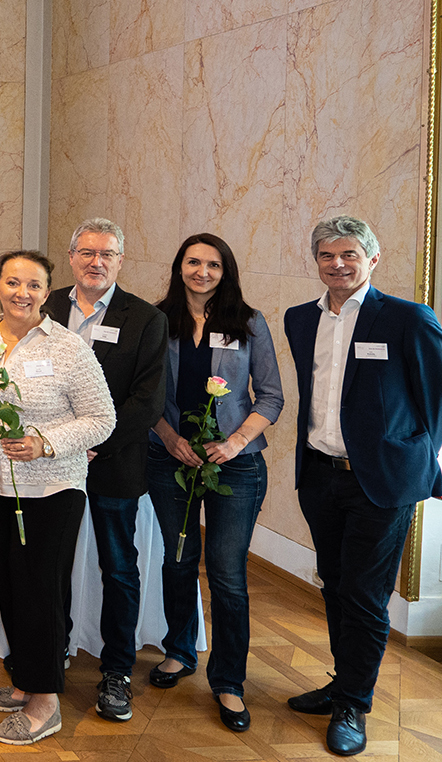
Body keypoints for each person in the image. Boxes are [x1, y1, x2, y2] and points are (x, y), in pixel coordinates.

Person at [283, 216, 442, 757]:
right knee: (334, 583)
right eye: (327, 255)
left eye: (349, 254)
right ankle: (341, 681)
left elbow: (434, 401)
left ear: (373, 259)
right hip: (321, 476)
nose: (338, 264)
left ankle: (354, 702)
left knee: (366, 596)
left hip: (381, 483)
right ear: (317, 262)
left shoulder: (407, 319)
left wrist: (422, 462)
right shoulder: (300, 320)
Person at [0, 251, 114, 746]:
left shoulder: (69, 348)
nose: (22, 293)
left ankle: (46, 702)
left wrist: (44, 443)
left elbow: (101, 418)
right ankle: (25, 680)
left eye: (33, 285)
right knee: (11, 588)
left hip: (51, 489)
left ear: (46, 293)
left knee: (41, 593)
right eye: (12, 282)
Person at [146, 234, 283, 732]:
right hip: (169, 459)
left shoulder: (248, 323)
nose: (202, 271)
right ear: (179, 266)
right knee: (178, 559)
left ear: (226, 271)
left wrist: (233, 444)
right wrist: (166, 436)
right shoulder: (157, 319)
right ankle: (180, 652)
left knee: (227, 574)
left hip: (236, 465)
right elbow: (143, 394)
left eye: (213, 264)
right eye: (193, 262)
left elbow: (270, 396)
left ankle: (228, 682)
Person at [39, 218, 167, 723]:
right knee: (52, 565)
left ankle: (116, 671)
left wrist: (90, 442)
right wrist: (60, 444)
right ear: (71, 257)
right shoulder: (44, 306)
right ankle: (51, 656)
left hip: (112, 464)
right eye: (87, 252)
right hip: (50, 465)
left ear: (120, 261)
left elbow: (147, 400)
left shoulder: (146, 319)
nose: (96, 262)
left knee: (118, 568)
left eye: (107, 254)